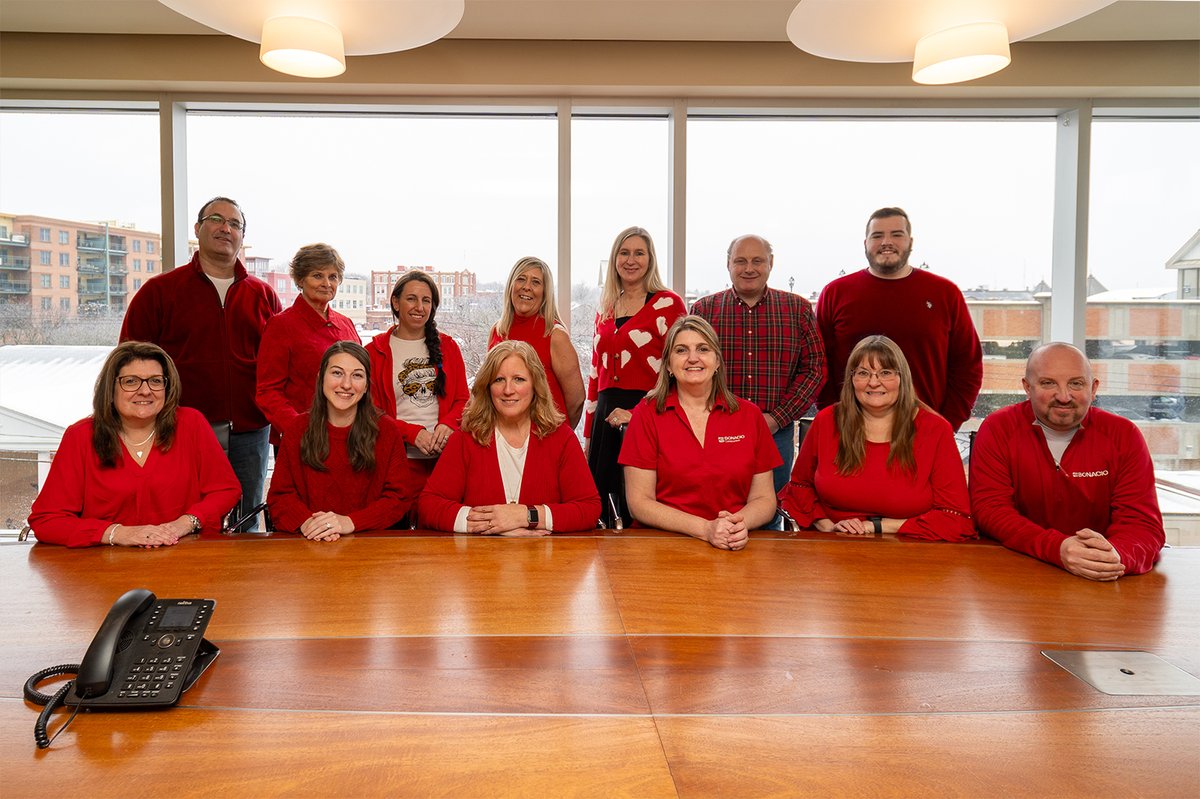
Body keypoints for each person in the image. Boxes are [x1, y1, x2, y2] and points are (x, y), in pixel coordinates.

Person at [120, 196, 281, 528]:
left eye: (235, 224)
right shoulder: (159, 292)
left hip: (251, 431)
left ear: (242, 235)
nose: (226, 228)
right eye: (216, 220)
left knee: (244, 521)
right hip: (181, 429)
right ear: (198, 228)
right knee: (184, 518)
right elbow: (129, 360)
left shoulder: (263, 296)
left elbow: (279, 364)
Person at [970, 342, 1165, 580]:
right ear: (1027, 387)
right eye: (1048, 383)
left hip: (1102, 580)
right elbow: (991, 510)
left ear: (1093, 388)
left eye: (1076, 383)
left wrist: (1115, 556)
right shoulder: (998, 428)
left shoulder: (1124, 435)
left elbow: (1142, 525)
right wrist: (1057, 548)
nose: (1064, 396)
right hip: (1017, 573)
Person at [28, 341, 240, 547]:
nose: (145, 391)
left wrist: (182, 525)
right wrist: (118, 533)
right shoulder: (80, 436)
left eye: (156, 381)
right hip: (102, 567)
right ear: (110, 389)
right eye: (131, 381)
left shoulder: (191, 424)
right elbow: (47, 520)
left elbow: (226, 490)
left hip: (182, 558)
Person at [779, 335, 973, 539]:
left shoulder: (936, 429)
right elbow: (800, 487)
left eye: (885, 373)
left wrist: (878, 526)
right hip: (834, 547)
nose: (873, 382)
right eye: (863, 373)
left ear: (902, 378)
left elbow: (955, 516)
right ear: (852, 379)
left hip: (913, 548)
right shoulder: (827, 421)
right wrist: (827, 526)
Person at [620, 316, 780, 550]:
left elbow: (764, 500)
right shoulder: (646, 414)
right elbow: (639, 503)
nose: (693, 358)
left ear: (717, 361)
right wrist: (706, 529)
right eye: (681, 350)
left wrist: (734, 527)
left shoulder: (750, 415)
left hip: (735, 545)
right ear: (668, 364)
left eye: (703, 349)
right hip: (662, 547)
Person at [816, 207, 982, 432]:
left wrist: (946, 423)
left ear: (910, 242)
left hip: (923, 430)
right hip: (851, 431)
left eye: (896, 234)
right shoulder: (836, 294)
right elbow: (817, 364)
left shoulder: (945, 293)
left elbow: (967, 366)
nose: (886, 242)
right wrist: (836, 417)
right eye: (877, 236)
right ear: (865, 243)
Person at [418, 341, 600, 534]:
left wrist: (525, 516)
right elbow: (429, 505)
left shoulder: (562, 438)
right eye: (498, 380)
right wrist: (495, 525)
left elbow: (589, 508)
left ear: (536, 385)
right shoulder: (465, 439)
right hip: (479, 560)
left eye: (519, 379)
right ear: (487, 387)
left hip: (546, 560)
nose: (508, 390)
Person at [691, 234, 825, 493]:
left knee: (772, 512)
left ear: (771, 263)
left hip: (776, 433)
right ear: (728, 264)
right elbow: (689, 368)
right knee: (713, 506)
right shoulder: (704, 311)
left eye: (757, 261)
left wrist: (777, 418)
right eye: (740, 261)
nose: (749, 268)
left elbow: (815, 369)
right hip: (714, 430)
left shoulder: (797, 309)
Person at [585, 226, 687, 526]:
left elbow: (682, 373)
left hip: (648, 415)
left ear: (650, 259)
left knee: (638, 512)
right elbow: (595, 374)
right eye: (624, 252)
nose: (631, 260)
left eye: (639, 253)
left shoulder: (669, 304)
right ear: (615, 259)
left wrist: (639, 414)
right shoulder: (605, 307)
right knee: (603, 510)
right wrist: (589, 435)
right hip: (606, 415)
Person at [268, 342, 412, 540]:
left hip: (370, 546)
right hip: (309, 542)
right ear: (320, 378)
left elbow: (399, 498)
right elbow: (280, 497)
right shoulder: (297, 429)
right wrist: (310, 523)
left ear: (367, 385)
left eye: (357, 375)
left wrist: (350, 522)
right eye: (337, 373)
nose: (346, 384)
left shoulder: (387, 431)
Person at [366, 270, 469, 496]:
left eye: (426, 301)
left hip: (445, 462)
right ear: (395, 302)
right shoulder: (374, 352)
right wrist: (412, 434)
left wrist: (448, 425)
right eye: (411, 298)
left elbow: (463, 400)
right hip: (395, 463)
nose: (419, 307)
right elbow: (371, 412)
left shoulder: (449, 347)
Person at [256, 243, 359, 447]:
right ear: (300, 279)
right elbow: (267, 391)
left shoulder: (346, 323)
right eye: (317, 275)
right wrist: (298, 429)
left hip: (349, 436)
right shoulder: (281, 325)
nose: (326, 283)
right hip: (305, 438)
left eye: (333, 277)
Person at [489, 256, 585, 428]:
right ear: (511, 285)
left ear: (545, 292)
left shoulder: (555, 336)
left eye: (535, 282)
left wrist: (557, 436)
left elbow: (576, 400)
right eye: (521, 279)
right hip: (503, 436)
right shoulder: (497, 331)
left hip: (545, 437)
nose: (527, 287)